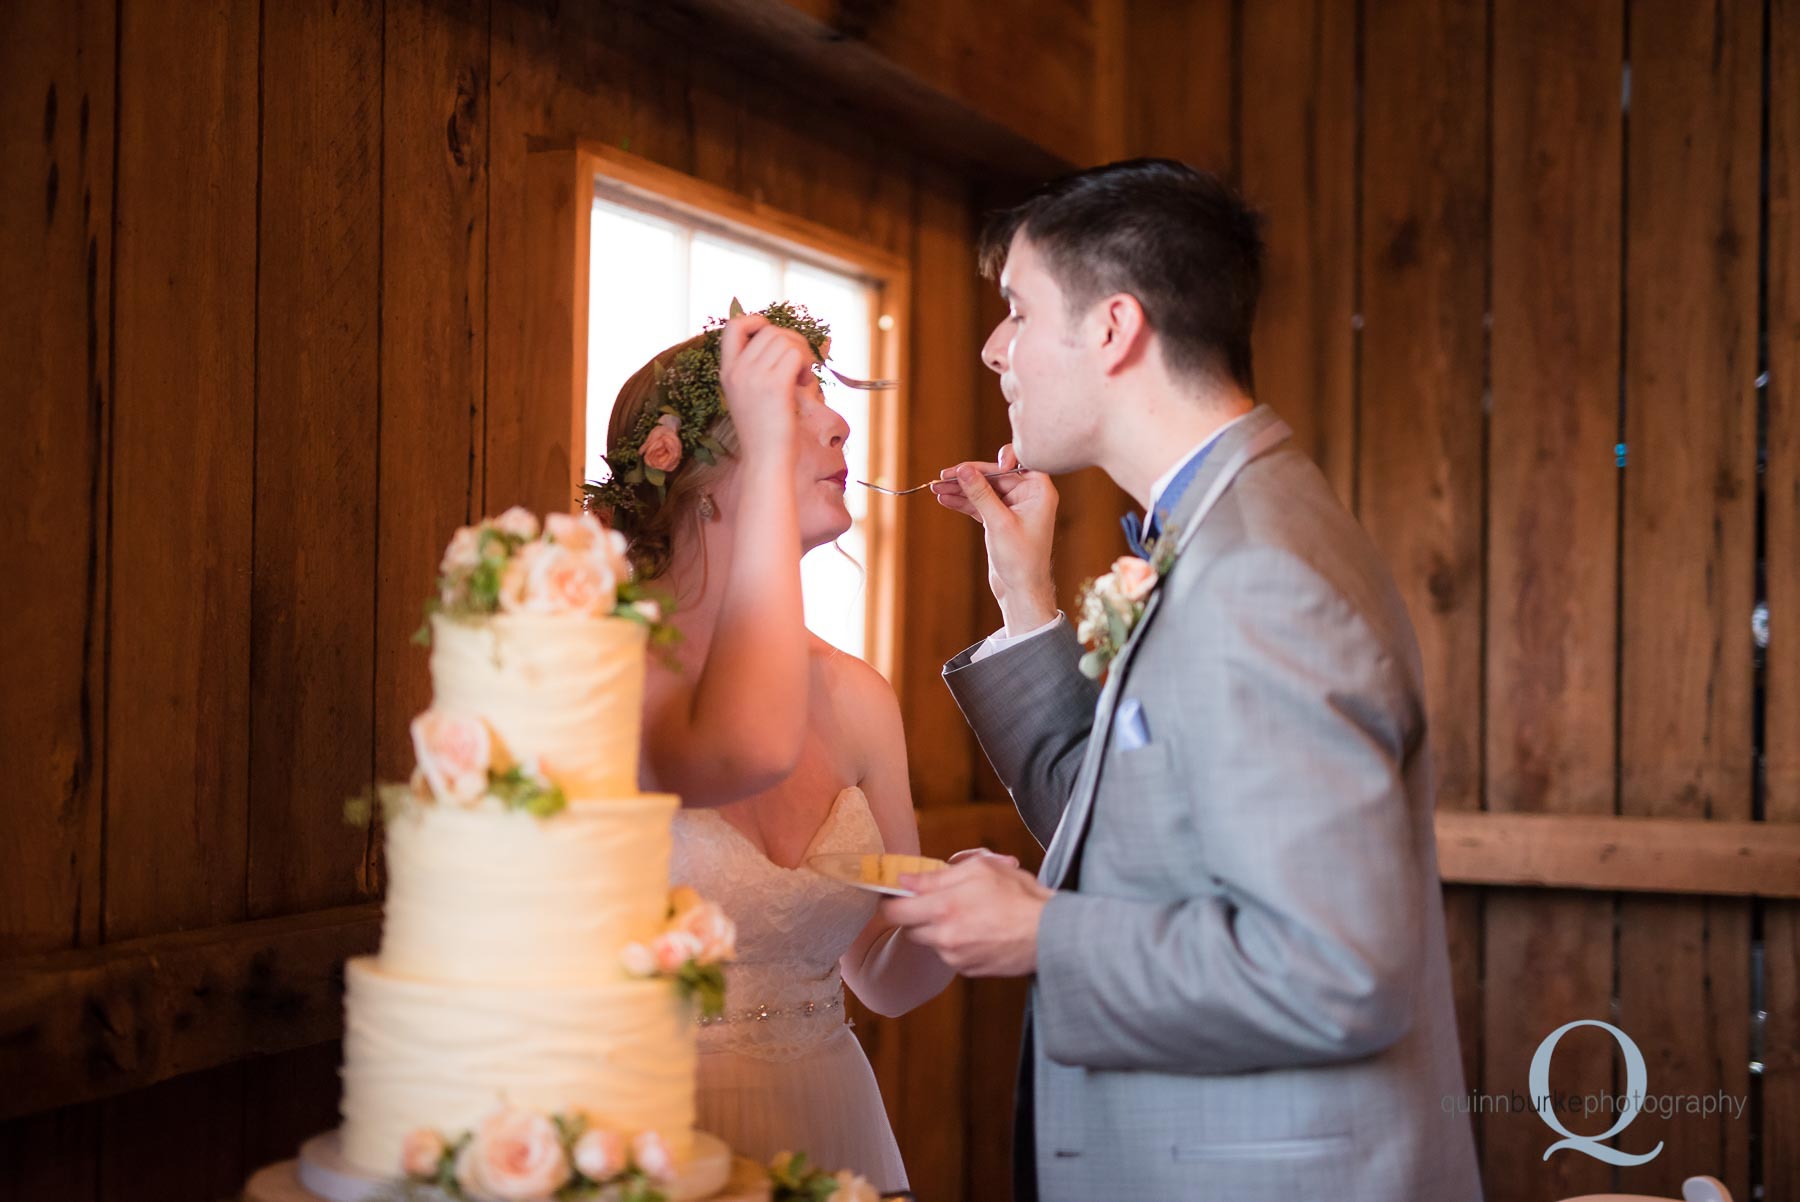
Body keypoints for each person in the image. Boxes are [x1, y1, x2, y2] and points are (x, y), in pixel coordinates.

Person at [882, 159, 1484, 1202]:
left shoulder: (1256, 571)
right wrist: (1027, 598)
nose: (994, 348)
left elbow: (1337, 968)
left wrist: (1040, 930)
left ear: (1114, 329)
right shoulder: (1220, 524)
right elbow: (1124, 818)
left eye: (1016, 310)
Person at [596, 306, 955, 1192]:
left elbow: (882, 976)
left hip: (833, 1125)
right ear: (702, 472)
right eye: (795, 404)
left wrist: (947, 913)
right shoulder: (599, 670)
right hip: (649, 1140)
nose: (840, 424)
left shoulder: (860, 698)